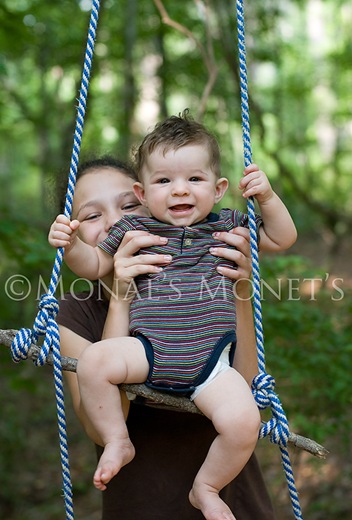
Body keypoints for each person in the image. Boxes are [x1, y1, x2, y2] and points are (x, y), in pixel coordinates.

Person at [50, 113, 297, 520]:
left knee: (244, 421)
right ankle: (118, 442)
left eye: (193, 180)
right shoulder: (86, 298)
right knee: (95, 359)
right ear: (147, 192)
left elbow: (281, 238)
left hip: (212, 365)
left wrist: (266, 200)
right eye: (91, 216)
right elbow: (93, 264)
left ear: (218, 190)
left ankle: (208, 487)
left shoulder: (224, 227)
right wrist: (70, 242)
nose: (179, 190)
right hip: (150, 352)